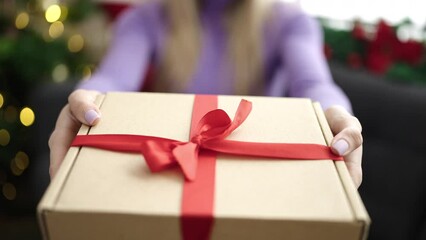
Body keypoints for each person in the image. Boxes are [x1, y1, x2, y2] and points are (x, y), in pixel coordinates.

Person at [49, 0, 363, 187]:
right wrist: (88, 98)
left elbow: (313, 84)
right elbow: (115, 78)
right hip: (167, 176)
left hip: (256, 180)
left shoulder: (287, 20)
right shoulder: (147, 17)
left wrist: (334, 112)